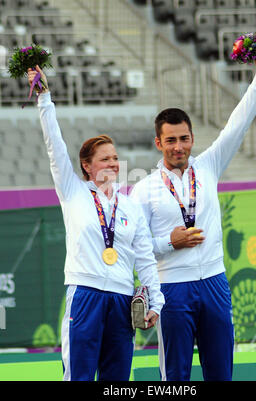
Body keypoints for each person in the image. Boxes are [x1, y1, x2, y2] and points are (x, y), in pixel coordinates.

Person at [130, 52, 256, 381]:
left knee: (221, 370)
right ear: (158, 143)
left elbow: (238, 125)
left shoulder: (208, 166)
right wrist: (169, 241)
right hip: (172, 289)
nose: (178, 147)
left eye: (184, 139)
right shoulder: (144, 190)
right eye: (170, 140)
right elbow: (135, 248)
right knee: (176, 375)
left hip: (215, 283)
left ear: (192, 138)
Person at [27, 66, 164, 381]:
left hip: (121, 299)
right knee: (79, 375)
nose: (113, 164)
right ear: (87, 166)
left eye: (115, 158)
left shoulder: (129, 207)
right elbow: (55, 149)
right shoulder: (73, 192)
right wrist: (44, 99)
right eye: (105, 159)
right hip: (85, 293)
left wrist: (156, 299)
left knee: (117, 378)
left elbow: (144, 257)